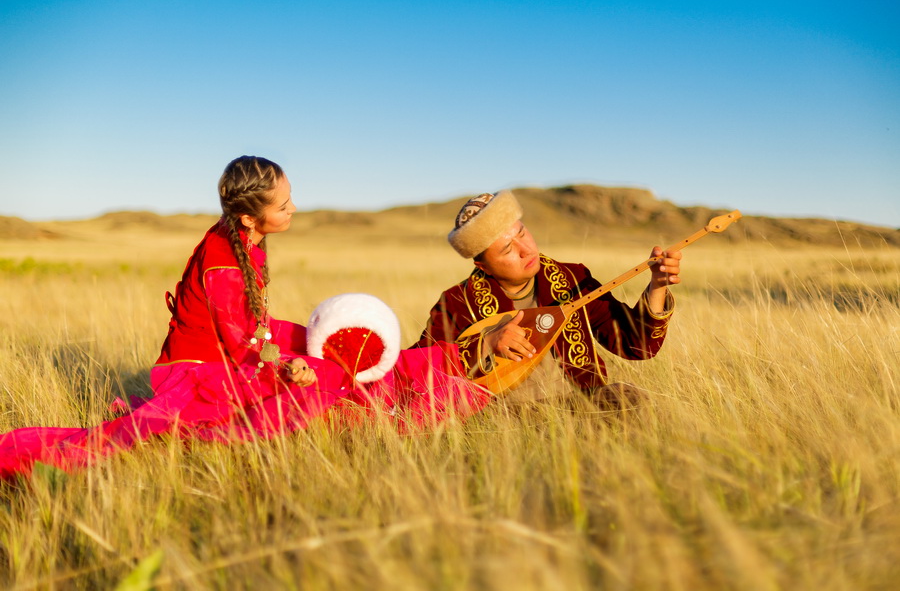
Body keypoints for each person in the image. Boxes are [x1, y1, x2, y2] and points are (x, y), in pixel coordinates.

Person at [0, 156, 490, 481]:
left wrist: (304, 342)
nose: (293, 207)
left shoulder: (246, 239)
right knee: (319, 378)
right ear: (251, 218)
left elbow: (253, 326)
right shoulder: (223, 263)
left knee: (341, 345)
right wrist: (289, 367)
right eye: (283, 204)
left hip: (233, 350)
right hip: (199, 370)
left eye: (289, 196)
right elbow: (242, 344)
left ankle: (433, 367)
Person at [413, 190, 681, 406]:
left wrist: (657, 285)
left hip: (583, 402)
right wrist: (485, 344)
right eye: (507, 249)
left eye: (522, 233)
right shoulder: (458, 302)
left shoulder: (573, 279)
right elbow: (418, 370)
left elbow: (636, 345)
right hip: (503, 415)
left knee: (631, 400)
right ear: (482, 265)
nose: (526, 249)